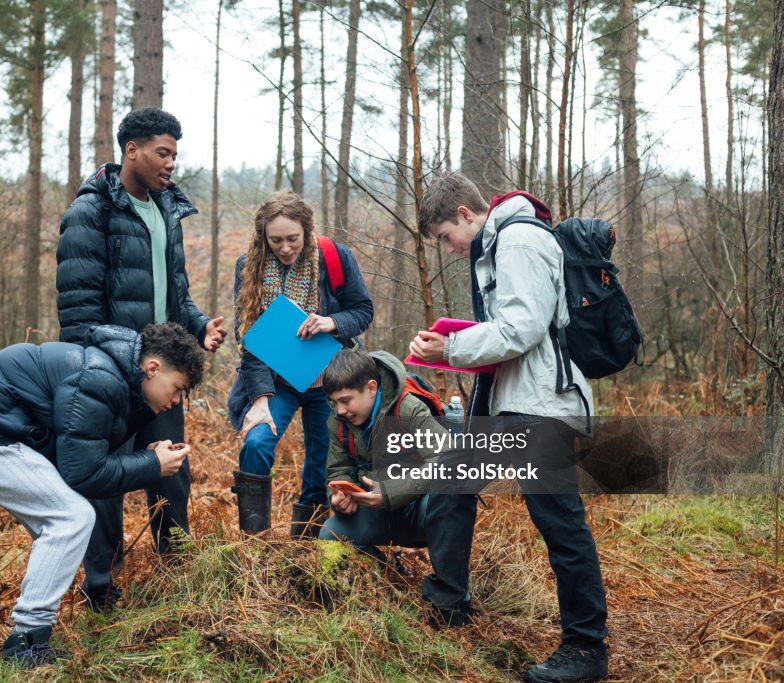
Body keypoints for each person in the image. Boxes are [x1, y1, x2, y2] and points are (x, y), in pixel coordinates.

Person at [410, 173, 608, 683]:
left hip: (541, 404)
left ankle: (586, 648)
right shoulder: (497, 244)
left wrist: (451, 348)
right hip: (509, 403)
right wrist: (458, 339)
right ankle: (448, 604)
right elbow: (510, 329)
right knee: (452, 477)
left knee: (560, 521)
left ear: (463, 215)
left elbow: (522, 327)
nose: (449, 249)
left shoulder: (519, 238)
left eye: (445, 237)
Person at [0, 323, 206, 668]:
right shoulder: (100, 378)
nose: (176, 401)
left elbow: (84, 455)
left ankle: (29, 636)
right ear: (153, 368)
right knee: (71, 517)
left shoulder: (114, 377)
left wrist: (147, 454)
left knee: (62, 519)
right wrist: (151, 465)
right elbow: (82, 474)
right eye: (177, 389)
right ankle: (26, 643)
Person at [55, 108, 227, 611]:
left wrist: (198, 326)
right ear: (131, 150)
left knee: (170, 471)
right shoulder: (92, 212)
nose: (170, 164)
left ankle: (177, 574)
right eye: (162, 153)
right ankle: (101, 588)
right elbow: (78, 316)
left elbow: (177, 291)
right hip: (108, 376)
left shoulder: (167, 210)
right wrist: (129, 358)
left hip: (161, 375)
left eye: (175, 154)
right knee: (105, 479)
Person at [228, 191, 373, 538]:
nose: (285, 248)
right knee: (257, 441)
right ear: (263, 236)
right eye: (275, 240)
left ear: (307, 232)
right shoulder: (249, 266)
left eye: (293, 239)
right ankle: (255, 545)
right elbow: (250, 339)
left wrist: (331, 323)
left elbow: (362, 310)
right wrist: (260, 400)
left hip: (329, 380)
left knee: (322, 461)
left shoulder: (335, 258)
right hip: (276, 382)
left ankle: (308, 545)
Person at [318, 347, 440, 562]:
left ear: (372, 388)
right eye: (335, 402)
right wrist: (338, 500)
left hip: (419, 507)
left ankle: (449, 590)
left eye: (345, 400)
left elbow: (444, 462)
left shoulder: (409, 408)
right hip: (375, 510)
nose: (340, 410)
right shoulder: (338, 422)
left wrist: (391, 492)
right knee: (330, 535)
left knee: (449, 502)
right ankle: (384, 571)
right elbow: (339, 470)